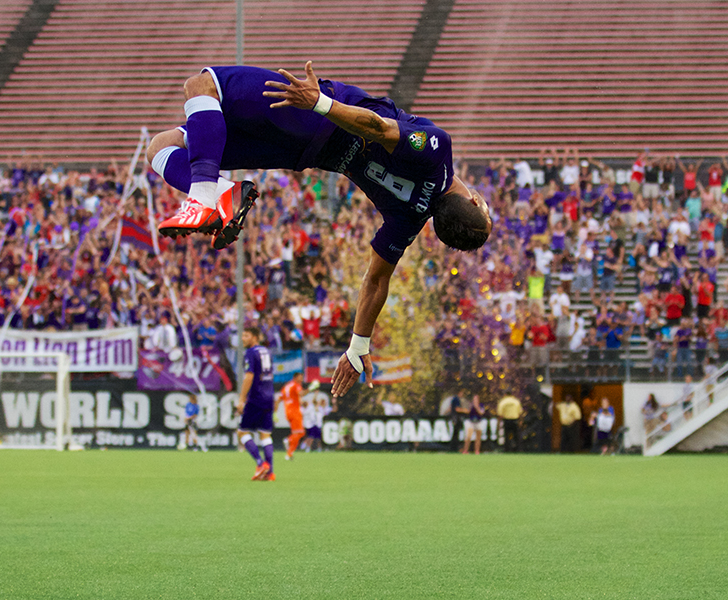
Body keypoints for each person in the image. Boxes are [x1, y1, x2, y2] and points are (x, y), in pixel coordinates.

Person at [147, 62, 492, 399]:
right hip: (305, 152)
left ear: (477, 201)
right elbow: (376, 281)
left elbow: (378, 128)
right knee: (162, 147)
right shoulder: (408, 220)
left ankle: (207, 196)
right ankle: (220, 193)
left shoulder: (437, 150)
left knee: (202, 85)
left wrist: (320, 103)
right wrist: (358, 346)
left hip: (313, 117)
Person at [236, 327, 276, 481]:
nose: (243, 338)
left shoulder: (251, 353)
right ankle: (270, 472)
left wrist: (241, 399)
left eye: (246, 335)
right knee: (265, 434)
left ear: (255, 337)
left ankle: (260, 464)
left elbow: (249, 376)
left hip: (256, 397)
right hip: (268, 396)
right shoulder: (266, 351)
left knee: (242, 432)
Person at [277, 371, 305, 460]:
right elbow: (301, 394)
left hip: (288, 412)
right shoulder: (296, 385)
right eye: (300, 377)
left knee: (297, 433)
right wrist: (311, 388)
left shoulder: (286, 387)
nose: (301, 379)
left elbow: (278, 399)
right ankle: (288, 441)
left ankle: (289, 454)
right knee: (299, 433)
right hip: (295, 412)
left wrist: (275, 412)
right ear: (295, 377)